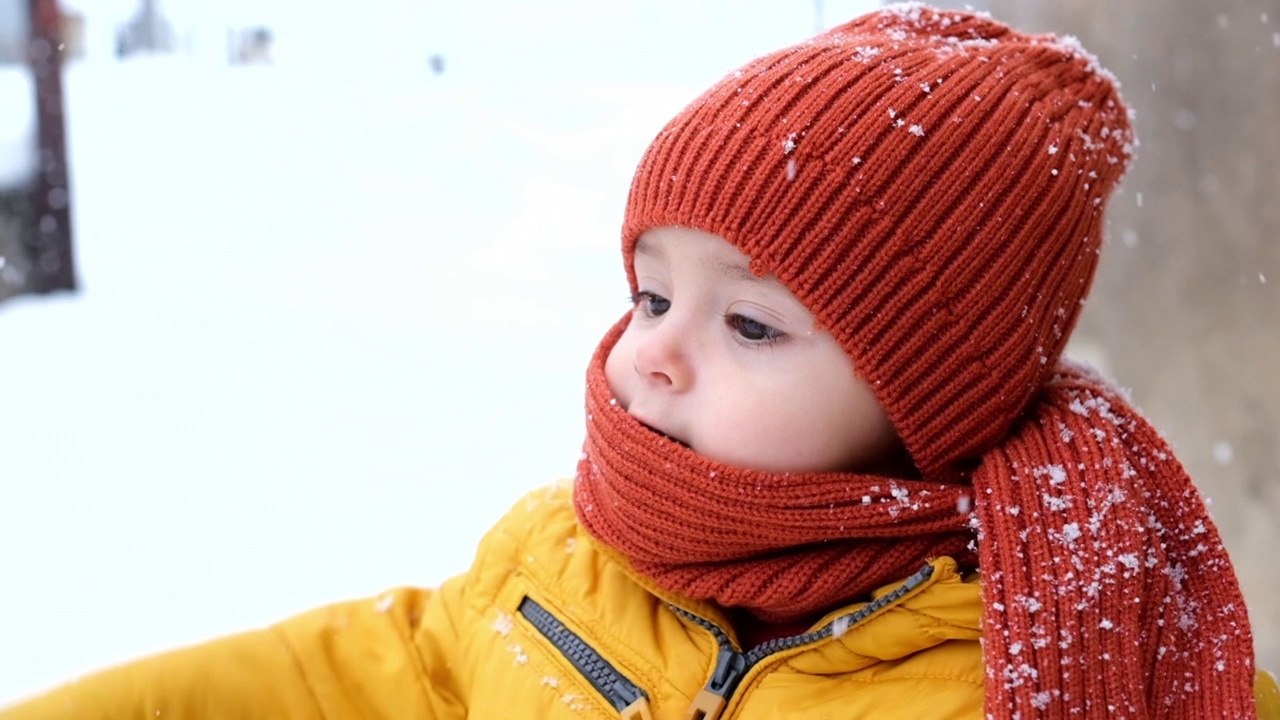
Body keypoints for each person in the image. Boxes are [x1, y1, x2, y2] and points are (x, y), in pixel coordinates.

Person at [3, 4, 1277, 718]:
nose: (648, 353)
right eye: (649, 291)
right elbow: (350, 681)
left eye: (750, 324)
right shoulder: (563, 563)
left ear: (925, 395)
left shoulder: (1075, 671)